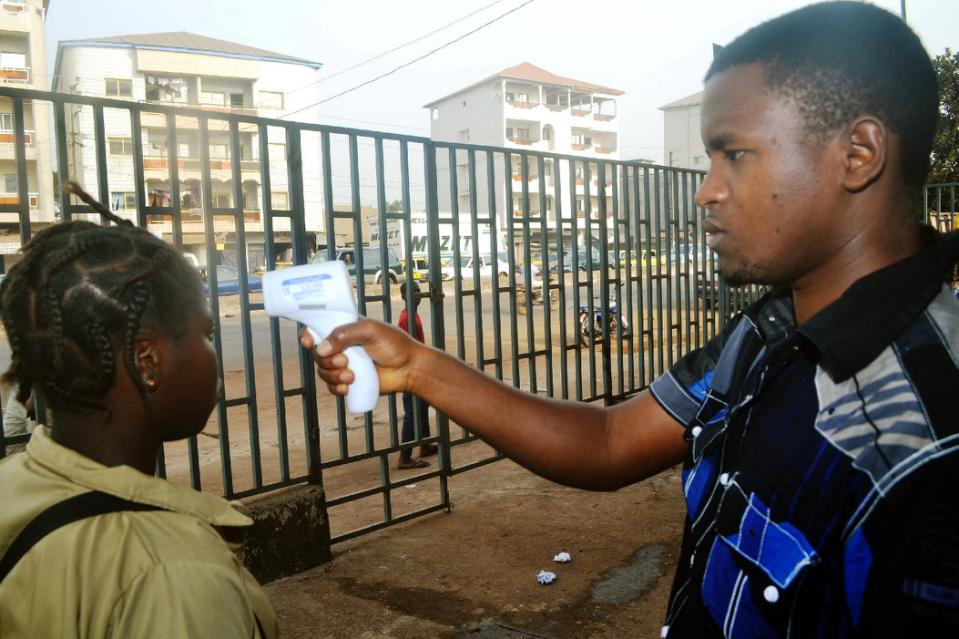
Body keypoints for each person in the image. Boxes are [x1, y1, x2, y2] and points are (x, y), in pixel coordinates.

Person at [304, 3, 959, 636]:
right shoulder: (766, 334)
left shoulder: (928, 445)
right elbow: (611, 441)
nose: (705, 189)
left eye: (733, 154)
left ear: (858, 153)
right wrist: (419, 367)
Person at [0, 182, 278, 637]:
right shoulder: (175, 574)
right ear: (147, 361)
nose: (213, 354)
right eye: (206, 334)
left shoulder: (13, 483)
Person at [396, 281, 437, 469]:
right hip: (411, 372)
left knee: (421, 408)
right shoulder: (407, 319)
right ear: (404, 297)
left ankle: (425, 444)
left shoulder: (411, 315)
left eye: (419, 291)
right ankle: (405, 457)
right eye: (414, 292)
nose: (418, 295)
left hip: (418, 370)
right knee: (412, 412)